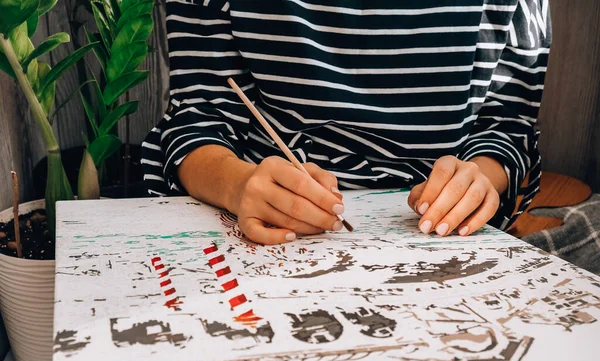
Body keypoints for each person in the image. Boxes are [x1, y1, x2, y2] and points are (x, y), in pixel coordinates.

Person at [142, 0, 551, 245]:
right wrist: (238, 184)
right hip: (262, 223)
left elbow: (506, 127)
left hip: (438, 233)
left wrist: (477, 180)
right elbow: (198, 116)